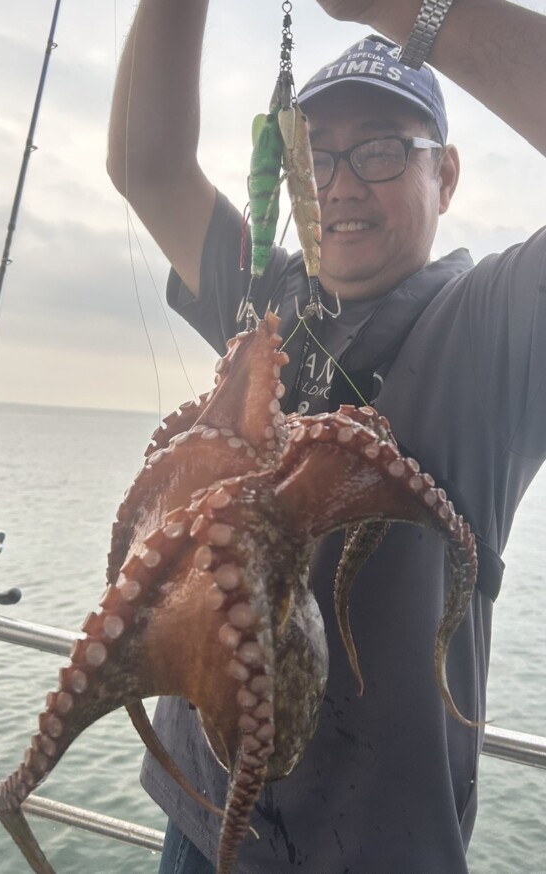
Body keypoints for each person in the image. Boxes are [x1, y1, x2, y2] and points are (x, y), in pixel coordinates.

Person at [107, 2, 546, 871]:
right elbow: (145, 165)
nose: (341, 183)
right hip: (203, 819)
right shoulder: (269, 302)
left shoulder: (494, 327)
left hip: (374, 847)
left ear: (446, 177)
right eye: (314, 153)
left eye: (382, 149)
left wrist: (407, 8)